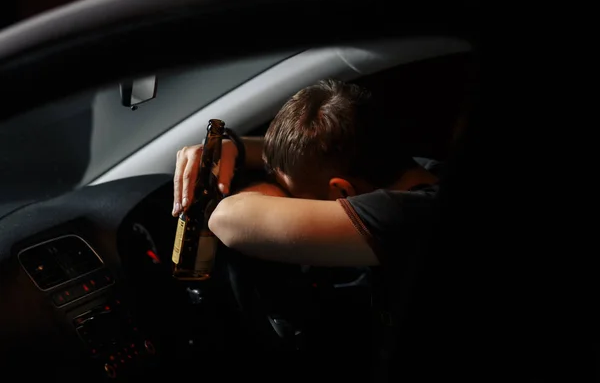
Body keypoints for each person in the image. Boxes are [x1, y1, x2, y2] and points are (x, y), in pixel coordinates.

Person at [172, 79, 440, 380]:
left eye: (292, 198)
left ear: (342, 192)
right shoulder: (421, 173)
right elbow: (316, 156)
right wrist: (230, 145)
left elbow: (226, 219)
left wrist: (268, 187)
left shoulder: (406, 218)